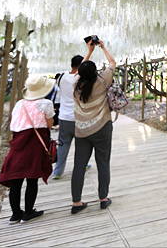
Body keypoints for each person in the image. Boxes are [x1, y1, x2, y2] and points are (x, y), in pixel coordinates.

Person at [0, 74, 56, 224]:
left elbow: (15, 124)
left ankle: (15, 214)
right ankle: (28, 211)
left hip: (18, 143)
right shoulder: (46, 104)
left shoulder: (20, 104)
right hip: (35, 143)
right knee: (32, 179)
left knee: (16, 180)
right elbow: (49, 125)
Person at [71, 38, 116, 214]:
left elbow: (82, 70)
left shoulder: (76, 84)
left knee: (79, 166)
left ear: (79, 73)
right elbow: (112, 62)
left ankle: (76, 202)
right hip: (102, 127)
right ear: (96, 71)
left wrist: (88, 51)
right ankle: (103, 198)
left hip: (82, 130)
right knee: (103, 163)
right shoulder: (102, 81)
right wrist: (102, 47)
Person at [52, 57, 91, 179]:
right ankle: (82, 165)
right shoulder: (81, 79)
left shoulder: (61, 77)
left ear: (71, 64)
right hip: (79, 117)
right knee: (81, 144)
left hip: (64, 117)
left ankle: (57, 171)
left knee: (63, 144)